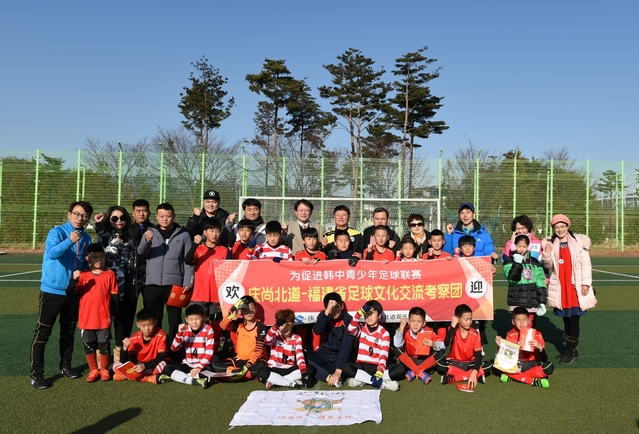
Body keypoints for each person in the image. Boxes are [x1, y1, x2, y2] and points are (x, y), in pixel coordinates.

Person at [30, 201, 93, 390]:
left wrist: (84, 269)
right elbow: (51, 254)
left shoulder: (87, 238)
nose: (80, 218)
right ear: (69, 214)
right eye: (77, 214)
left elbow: (81, 264)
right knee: (43, 333)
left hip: (72, 292)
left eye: (84, 215)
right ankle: (37, 375)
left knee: (68, 332)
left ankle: (65, 366)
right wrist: (69, 241)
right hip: (52, 291)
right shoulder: (57, 232)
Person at [138, 203, 194, 348]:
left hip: (174, 284)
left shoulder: (183, 234)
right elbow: (141, 253)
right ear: (156, 216)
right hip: (152, 284)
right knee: (154, 320)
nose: (165, 219)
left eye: (168, 216)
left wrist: (188, 281)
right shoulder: (150, 232)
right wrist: (146, 241)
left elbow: (188, 261)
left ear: (173, 216)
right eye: (162, 216)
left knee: (175, 320)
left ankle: (174, 349)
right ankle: (156, 348)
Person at [541, 214, 596, 365]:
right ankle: (572, 349)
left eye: (562, 226)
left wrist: (586, 283)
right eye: (556, 227)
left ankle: (569, 350)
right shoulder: (551, 244)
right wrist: (546, 253)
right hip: (560, 287)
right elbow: (548, 265)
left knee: (574, 319)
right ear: (553, 229)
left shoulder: (579, 243)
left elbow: (586, 264)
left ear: (567, 226)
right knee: (566, 319)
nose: (560, 229)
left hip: (575, 287)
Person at [66, 243, 118, 382]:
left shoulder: (110, 274)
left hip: (104, 318)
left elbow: (114, 297)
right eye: (95, 257)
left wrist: (113, 313)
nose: (99, 260)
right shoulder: (83, 275)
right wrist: (73, 279)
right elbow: (70, 292)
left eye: (101, 257)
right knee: (89, 345)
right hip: (86, 318)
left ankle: (104, 369)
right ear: (88, 259)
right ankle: (93, 370)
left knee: (104, 345)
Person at [94, 205, 137, 362]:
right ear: (108, 219)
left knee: (124, 323)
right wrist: (112, 246)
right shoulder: (104, 236)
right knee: (106, 322)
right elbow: (99, 258)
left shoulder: (131, 236)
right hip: (110, 288)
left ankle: (120, 356)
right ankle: (102, 357)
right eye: (114, 218)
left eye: (122, 218)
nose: (119, 221)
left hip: (130, 287)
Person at [342, 300, 403, 391]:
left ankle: (362, 379)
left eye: (372, 313)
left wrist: (380, 371)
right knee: (346, 367)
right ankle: (383, 384)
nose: (369, 316)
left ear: (379, 316)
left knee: (400, 368)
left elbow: (384, 354)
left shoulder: (384, 333)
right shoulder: (361, 328)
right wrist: (359, 313)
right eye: (366, 313)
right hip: (362, 365)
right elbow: (350, 329)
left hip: (376, 366)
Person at [495, 307, 553, 388]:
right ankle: (532, 381)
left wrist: (539, 347)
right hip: (518, 364)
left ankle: (514, 377)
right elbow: (507, 357)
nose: (521, 323)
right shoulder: (510, 334)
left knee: (548, 367)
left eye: (524, 319)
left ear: (529, 321)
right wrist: (500, 347)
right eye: (518, 320)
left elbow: (544, 359)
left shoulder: (537, 334)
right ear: (513, 322)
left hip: (533, 364)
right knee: (500, 365)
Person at [159, 304, 215, 388]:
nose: (194, 322)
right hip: (188, 364)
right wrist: (179, 334)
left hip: (203, 365)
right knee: (167, 368)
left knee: (210, 371)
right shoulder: (185, 330)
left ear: (203, 317)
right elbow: (174, 348)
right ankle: (194, 381)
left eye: (197, 319)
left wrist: (199, 367)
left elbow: (209, 352)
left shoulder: (208, 329)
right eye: (191, 319)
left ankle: (180, 377)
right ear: (186, 320)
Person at [436, 304, 492, 388]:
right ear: (458, 319)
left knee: (489, 365)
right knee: (440, 365)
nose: (469, 322)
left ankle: (454, 378)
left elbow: (478, 355)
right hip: (454, 362)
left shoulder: (475, 334)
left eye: (470, 319)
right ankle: (475, 376)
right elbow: (446, 343)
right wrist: (452, 326)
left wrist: (474, 371)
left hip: (469, 363)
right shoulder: (453, 330)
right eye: (466, 319)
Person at [185, 219, 229, 323]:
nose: (215, 234)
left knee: (216, 322)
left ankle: (218, 339)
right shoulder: (199, 249)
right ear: (205, 232)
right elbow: (187, 260)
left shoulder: (224, 251)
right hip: (200, 293)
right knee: (198, 322)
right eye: (211, 231)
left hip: (217, 294)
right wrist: (195, 244)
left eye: (217, 231)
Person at [257, 309, 314, 389]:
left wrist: (304, 373)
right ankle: (290, 383)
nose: (285, 328)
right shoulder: (275, 335)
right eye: (281, 325)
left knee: (310, 368)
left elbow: (300, 357)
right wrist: (275, 327)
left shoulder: (297, 338)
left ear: (293, 324)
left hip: (290, 369)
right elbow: (267, 340)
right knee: (261, 372)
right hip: (275, 368)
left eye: (288, 325)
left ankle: (277, 382)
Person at [307, 292, 355, 388]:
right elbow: (317, 331)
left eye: (336, 307)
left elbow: (346, 347)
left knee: (344, 368)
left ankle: (315, 373)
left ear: (341, 306)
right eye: (331, 308)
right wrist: (326, 311)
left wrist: (338, 371)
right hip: (324, 354)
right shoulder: (324, 316)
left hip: (340, 357)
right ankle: (327, 376)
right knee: (302, 357)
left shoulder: (348, 320)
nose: (334, 311)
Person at [215, 296, 268, 381]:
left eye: (251, 309)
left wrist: (247, 366)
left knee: (261, 367)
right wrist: (232, 312)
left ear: (256, 309)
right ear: (241, 312)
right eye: (245, 310)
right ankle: (243, 375)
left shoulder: (261, 326)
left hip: (255, 362)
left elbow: (258, 351)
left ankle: (234, 375)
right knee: (215, 365)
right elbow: (222, 325)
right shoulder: (238, 324)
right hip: (239, 361)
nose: (249, 312)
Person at [112, 308, 169, 384]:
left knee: (163, 365)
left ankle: (126, 376)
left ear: (155, 322)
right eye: (143, 325)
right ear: (138, 324)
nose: (147, 329)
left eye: (149, 325)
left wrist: (145, 366)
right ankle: (148, 378)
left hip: (151, 365)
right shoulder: (133, 338)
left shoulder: (161, 334)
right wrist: (124, 349)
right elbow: (124, 361)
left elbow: (161, 356)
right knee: (115, 365)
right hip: (138, 366)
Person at [503, 234, 547, 327]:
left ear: (529, 247)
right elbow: (512, 279)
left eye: (524, 246)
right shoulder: (509, 261)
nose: (522, 249)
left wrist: (542, 302)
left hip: (531, 301)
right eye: (519, 246)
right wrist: (517, 264)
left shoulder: (534, 262)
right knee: (517, 326)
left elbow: (540, 282)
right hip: (516, 300)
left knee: (530, 327)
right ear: (514, 246)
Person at [394, 307, 446, 384]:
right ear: (408, 321)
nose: (415, 324)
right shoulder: (405, 330)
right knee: (397, 349)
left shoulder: (429, 332)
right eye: (412, 321)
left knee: (441, 351)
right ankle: (419, 372)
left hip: (425, 361)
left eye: (419, 322)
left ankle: (415, 371)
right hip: (410, 360)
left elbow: (443, 346)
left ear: (424, 323)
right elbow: (397, 344)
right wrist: (401, 327)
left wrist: (433, 344)